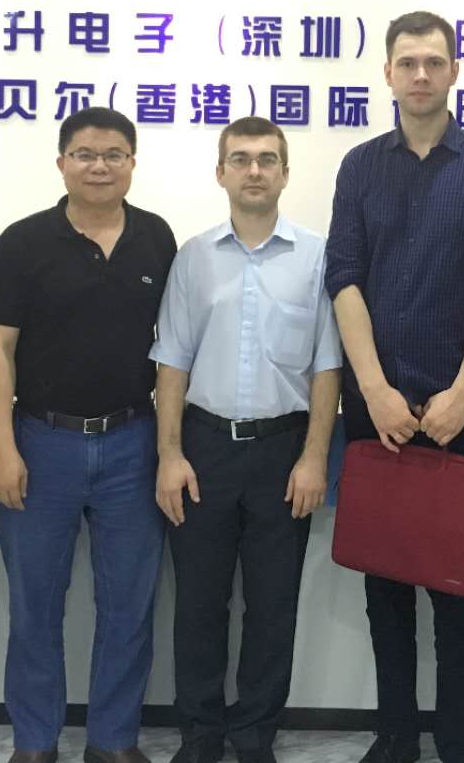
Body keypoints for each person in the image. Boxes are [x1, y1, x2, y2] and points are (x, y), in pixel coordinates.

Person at [325, 10, 464, 763]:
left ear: (453, 72)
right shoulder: (360, 166)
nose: (419, 75)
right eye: (406, 62)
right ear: (387, 73)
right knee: (385, 586)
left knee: (455, 587)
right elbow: (344, 278)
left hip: (455, 408)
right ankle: (396, 737)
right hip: (374, 408)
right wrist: (373, 388)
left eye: (433, 62)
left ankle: (460, 740)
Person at [0, 107, 177, 763]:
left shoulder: (156, 238)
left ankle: (113, 741)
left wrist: (167, 446)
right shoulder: (23, 242)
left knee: (129, 605)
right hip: (43, 442)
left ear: (132, 164)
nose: (99, 166)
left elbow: (173, 349)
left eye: (114, 154)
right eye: (86, 154)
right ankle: (35, 742)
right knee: (35, 603)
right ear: (62, 162)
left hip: (131, 441)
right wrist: (3, 446)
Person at [153, 116, 343, 763]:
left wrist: (314, 458)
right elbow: (172, 362)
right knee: (198, 605)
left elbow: (326, 366)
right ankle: (201, 735)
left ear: (285, 173)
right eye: (240, 159)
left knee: (272, 605)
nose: (254, 170)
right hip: (203, 449)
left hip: (283, 452)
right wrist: (170, 454)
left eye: (267, 159)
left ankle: (256, 734)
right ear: (221, 173)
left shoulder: (318, 257)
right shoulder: (194, 256)